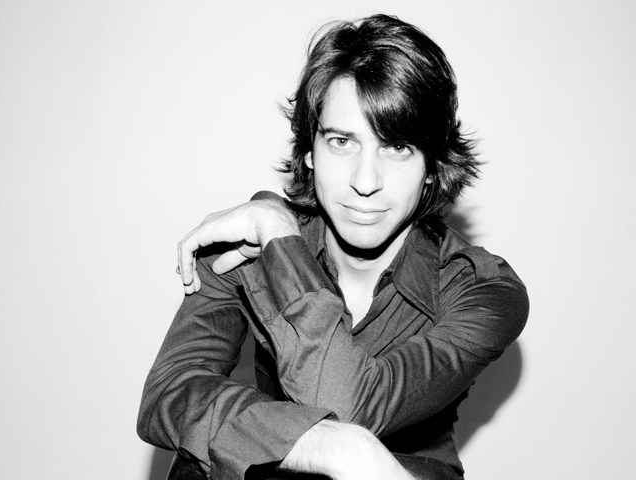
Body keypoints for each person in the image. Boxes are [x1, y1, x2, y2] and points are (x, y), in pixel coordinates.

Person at [138, 14, 529, 480]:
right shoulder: (245, 244)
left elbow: (350, 405)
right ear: (310, 150)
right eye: (343, 141)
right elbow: (169, 394)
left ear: (431, 166)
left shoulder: (485, 290)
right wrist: (332, 446)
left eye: (397, 147)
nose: (365, 181)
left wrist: (282, 249)